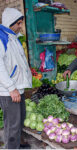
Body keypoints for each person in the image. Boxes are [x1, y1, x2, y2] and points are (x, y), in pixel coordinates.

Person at [0, 8, 32, 149]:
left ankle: (17, 144)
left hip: (18, 88)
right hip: (9, 91)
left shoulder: (13, 38)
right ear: (9, 23)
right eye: (18, 23)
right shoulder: (2, 39)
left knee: (19, 120)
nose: (20, 26)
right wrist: (12, 88)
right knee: (12, 124)